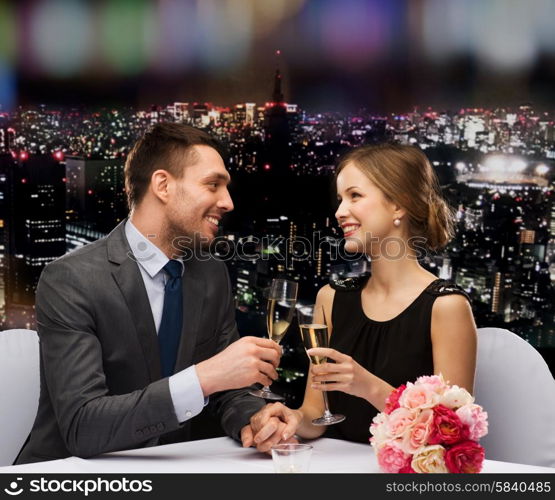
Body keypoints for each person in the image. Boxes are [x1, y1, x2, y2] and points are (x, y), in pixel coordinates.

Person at [15, 123, 285, 464]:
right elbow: (83, 427)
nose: (228, 202)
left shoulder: (211, 273)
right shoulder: (70, 279)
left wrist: (254, 417)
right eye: (213, 185)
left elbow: (228, 392)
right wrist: (201, 379)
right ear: (163, 185)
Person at [245, 143, 477, 445]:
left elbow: (451, 434)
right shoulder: (330, 298)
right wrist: (291, 418)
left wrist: (367, 386)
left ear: (399, 205)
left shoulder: (446, 307)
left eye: (355, 196)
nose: (340, 212)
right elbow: (317, 412)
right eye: (341, 199)